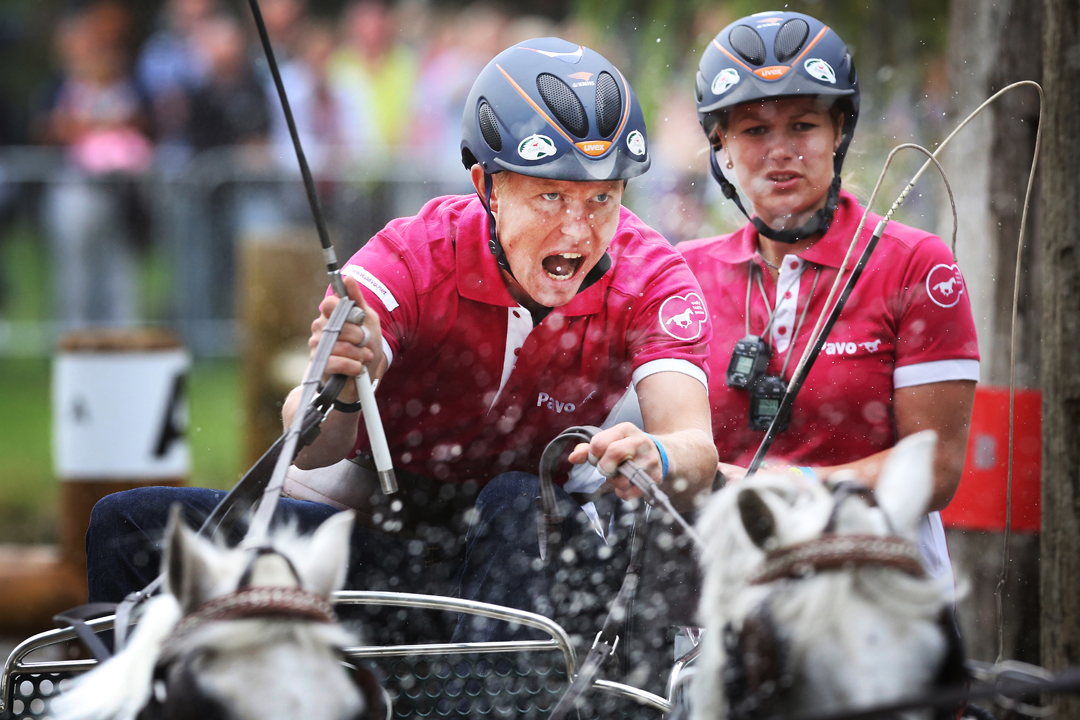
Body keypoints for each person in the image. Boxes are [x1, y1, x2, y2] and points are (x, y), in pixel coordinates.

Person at [87, 39, 717, 655]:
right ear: (487, 185)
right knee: (125, 526)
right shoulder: (413, 253)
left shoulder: (650, 274)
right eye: (551, 195)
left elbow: (697, 449)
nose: (579, 230)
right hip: (379, 538)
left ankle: (485, 702)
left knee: (515, 498)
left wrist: (655, 453)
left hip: (526, 550)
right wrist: (340, 381)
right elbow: (308, 446)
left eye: (601, 198)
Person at [678, 10, 979, 577]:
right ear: (721, 144)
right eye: (755, 130)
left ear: (839, 131)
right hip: (720, 590)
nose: (780, 150)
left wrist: (778, 487)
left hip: (877, 586)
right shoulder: (683, 274)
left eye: (803, 126)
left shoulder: (915, 264)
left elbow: (936, 468)